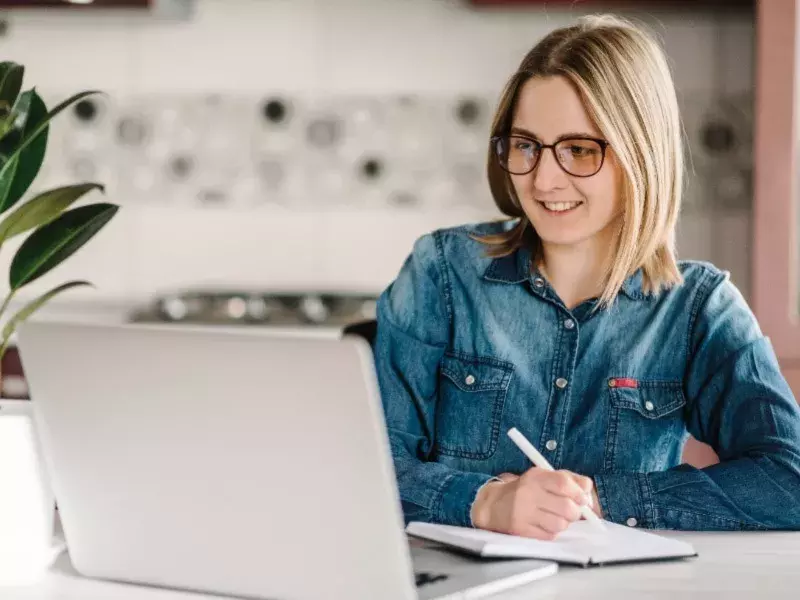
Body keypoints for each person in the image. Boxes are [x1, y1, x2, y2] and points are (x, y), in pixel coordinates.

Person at [373, 14, 800, 541]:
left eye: (579, 150)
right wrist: (484, 502)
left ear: (641, 155)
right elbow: (368, 465)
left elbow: (789, 478)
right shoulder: (441, 273)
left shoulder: (698, 308)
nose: (544, 179)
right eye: (527, 145)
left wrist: (601, 498)